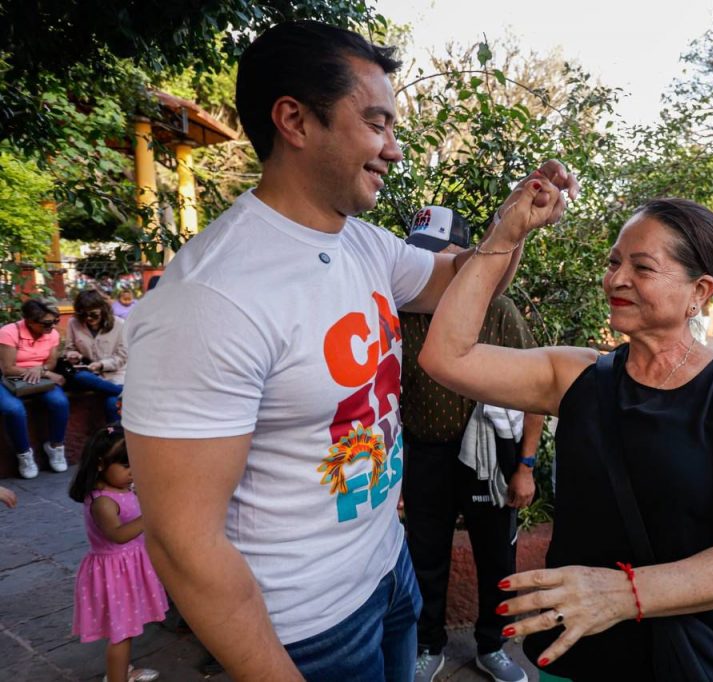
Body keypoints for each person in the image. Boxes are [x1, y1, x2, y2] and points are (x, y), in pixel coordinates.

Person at [121, 20, 577, 682]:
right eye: (377, 124)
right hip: (305, 627)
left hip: (387, 575)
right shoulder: (211, 297)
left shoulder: (362, 243)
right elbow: (182, 543)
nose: (393, 149)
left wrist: (511, 226)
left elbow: (465, 280)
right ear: (295, 121)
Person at [419, 197, 713, 680]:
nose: (616, 279)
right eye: (614, 262)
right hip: (579, 651)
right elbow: (445, 357)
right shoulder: (577, 376)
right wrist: (506, 233)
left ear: (698, 291)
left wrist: (622, 594)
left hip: (694, 654)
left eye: (642, 267)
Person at [399, 206, 542, 682]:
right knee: (425, 554)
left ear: (466, 254)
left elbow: (536, 391)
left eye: (440, 254)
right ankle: (429, 644)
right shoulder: (404, 313)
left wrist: (525, 465)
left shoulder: (498, 310)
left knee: (496, 555)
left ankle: (492, 646)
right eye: (420, 255)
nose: (430, 268)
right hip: (425, 454)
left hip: (489, 456)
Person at [69, 425, 168, 682]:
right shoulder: (103, 501)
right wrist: (151, 514)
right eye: (127, 466)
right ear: (101, 463)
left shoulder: (121, 489)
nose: (133, 472)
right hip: (114, 573)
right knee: (121, 634)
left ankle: (123, 671)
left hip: (128, 568)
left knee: (129, 626)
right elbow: (118, 535)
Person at [0, 298, 69, 478]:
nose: (52, 326)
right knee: (13, 409)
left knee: (60, 402)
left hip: (39, 377)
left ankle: (55, 447)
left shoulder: (51, 334)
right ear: (29, 321)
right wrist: (40, 373)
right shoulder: (9, 332)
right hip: (8, 379)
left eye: (55, 321)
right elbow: (7, 368)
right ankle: (24, 454)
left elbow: (51, 362)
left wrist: (42, 369)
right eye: (47, 323)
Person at [64, 289, 127, 422]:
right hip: (89, 374)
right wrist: (72, 354)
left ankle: (114, 438)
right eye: (83, 314)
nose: (88, 318)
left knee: (111, 405)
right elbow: (69, 348)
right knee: (81, 377)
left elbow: (122, 356)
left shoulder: (120, 324)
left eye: (93, 314)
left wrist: (101, 365)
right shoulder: (73, 323)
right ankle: (124, 394)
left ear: (103, 310)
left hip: (116, 374)